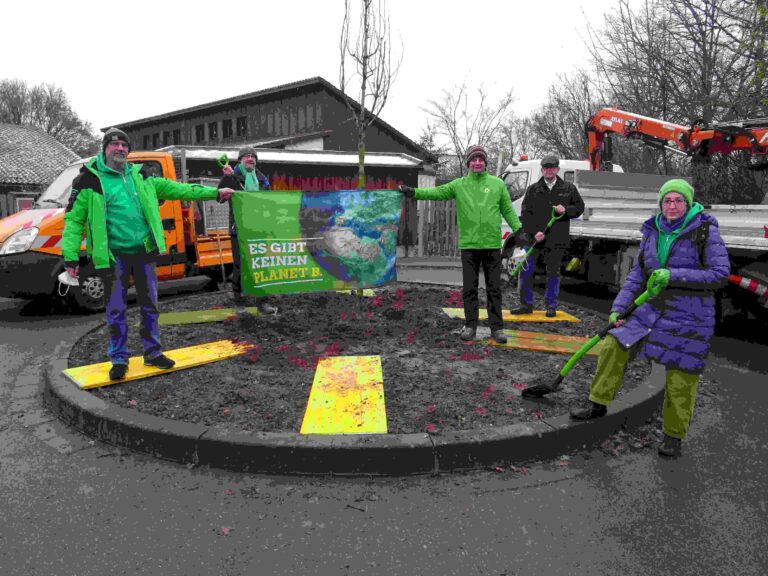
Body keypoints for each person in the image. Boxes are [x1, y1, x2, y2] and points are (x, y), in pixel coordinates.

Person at [569, 179, 730, 458]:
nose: (672, 206)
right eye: (667, 201)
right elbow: (637, 276)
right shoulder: (652, 230)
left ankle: (673, 436)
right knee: (614, 345)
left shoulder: (704, 230)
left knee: (682, 372)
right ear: (660, 204)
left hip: (689, 313)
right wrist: (619, 308)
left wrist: (674, 276)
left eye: (679, 200)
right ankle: (597, 404)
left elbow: (720, 274)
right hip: (650, 309)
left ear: (689, 204)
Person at [62, 128, 235, 381]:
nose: (120, 149)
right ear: (104, 148)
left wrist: (213, 193)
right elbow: (74, 221)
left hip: (143, 251)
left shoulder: (141, 175)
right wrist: (70, 257)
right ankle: (119, 358)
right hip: (113, 256)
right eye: (114, 145)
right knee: (116, 310)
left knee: (150, 306)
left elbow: (178, 190)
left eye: (124, 145)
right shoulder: (88, 180)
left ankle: (153, 352)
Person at [399, 145, 527, 344]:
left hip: (492, 245)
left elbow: (508, 210)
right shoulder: (459, 185)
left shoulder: (497, 184)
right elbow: (437, 192)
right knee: (470, 288)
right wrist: (414, 192)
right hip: (469, 245)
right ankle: (470, 326)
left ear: (485, 163)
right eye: (473, 160)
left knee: (494, 289)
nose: (477, 163)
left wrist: (519, 230)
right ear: (468, 163)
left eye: (480, 160)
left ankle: (497, 328)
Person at [511, 155, 584, 317]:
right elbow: (525, 214)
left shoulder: (569, 188)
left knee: (553, 272)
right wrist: (534, 232)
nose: (549, 171)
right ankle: (526, 304)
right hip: (534, 238)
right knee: (527, 270)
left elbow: (580, 207)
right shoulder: (532, 189)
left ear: (557, 169)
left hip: (557, 239)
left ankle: (551, 305)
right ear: (542, 170)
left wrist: (566, 210)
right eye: (546, 168)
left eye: (552, 168)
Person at [217, 146, 277, 314]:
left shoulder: (261, 178)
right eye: (247, 156)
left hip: (258, 230)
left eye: (253, 157)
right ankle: (239, 301)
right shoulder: (232, 175)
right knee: (240, 266)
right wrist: (226, 178)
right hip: (239, 230)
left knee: (261, 266)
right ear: (240, 160)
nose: (251, 159)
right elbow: (219, 197)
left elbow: (270, 201)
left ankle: (263, 302)